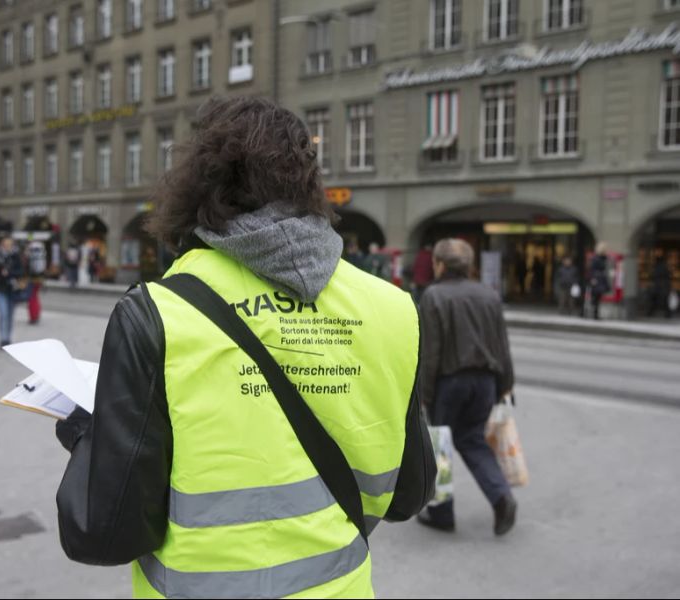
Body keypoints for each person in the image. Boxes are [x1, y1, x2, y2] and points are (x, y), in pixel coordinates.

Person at [54, 97, 436, 599]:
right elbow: (410, 493)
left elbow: (101, 533)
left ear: (196, 186)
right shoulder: (393, 309)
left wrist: (92, 433)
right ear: (309, 183)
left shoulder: (157, 312)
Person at [417, 238, 517, 536]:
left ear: (440, 264)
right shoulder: (488, 295)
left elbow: (430, 351)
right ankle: (501, 496)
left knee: (440, 444)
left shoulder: (433, 295)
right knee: (472, 439)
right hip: (485, 381)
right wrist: (506, 385)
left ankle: (442, 512)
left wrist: (425, 394)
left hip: (450, 382)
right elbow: (502, 345)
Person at [0, 234, 23, 347]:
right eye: (5, 244)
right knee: (3, 314)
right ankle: (3, 338)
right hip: (0, 289)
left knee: (10, 315)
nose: (7, 247)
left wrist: (9, 273)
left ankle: (8, 337)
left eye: (9, 245)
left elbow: (21, 271)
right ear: (1, 245)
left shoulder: (15, 256)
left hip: (13, 290)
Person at [588, 242, 611, 320]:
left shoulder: (603, 258)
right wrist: (592, 279)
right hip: (597, 279)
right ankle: (594, 314)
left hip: (601, 279)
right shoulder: (596, 258)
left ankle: (596, 314)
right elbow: (592, 269)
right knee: (595, 297)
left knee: (598, 297)